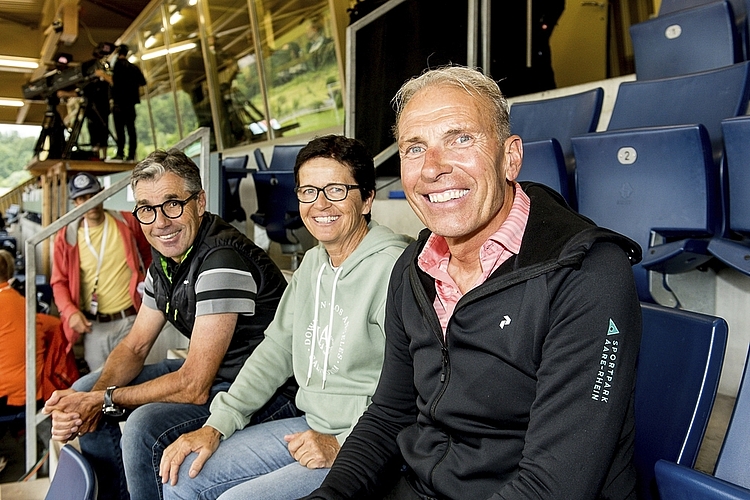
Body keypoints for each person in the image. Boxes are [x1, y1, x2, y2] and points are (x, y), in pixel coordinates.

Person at [303, 65, 643, 499]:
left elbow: (553, 486)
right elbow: (391, 413)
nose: (433, 169)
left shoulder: (587, 274)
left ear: (510, 157)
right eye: (414, 148)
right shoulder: (414, 266)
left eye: (461, 139)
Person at [158, 135, 412, 500]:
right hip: (309, 425)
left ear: (368, 198)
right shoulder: (312, 263)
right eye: (308, 191)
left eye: (336, 190)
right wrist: (218, 424)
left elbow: (411, 388)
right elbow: (276, 349)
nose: (319, 204)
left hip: (365, 445)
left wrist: (342, 442)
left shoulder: (392, 269)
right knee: (182, 476)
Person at [44, 149, 294, 500]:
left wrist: (103, 400)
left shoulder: (222, 260)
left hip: (266, 391)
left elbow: (193, 385)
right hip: (219, 372)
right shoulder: (165, 259)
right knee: (86, 385)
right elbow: (135, 346)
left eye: (172, 204)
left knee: (143, 428)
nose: (160, 222)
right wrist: (92, 396)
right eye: (146, 209)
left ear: (200, 202)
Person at [51, 172, 152, 373]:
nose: (90, 203)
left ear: (103, 194)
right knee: (99, 382)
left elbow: (148, 257)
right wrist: (70, 312)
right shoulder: (67, 236)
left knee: (133, 378)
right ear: (75, 203)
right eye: (82, 198)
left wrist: (149, 291)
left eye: (93, 195)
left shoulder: (127, 222)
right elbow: (58, 281)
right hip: (94, 326)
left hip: (130, 319)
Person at [111, 45, 146, 161]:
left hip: (119, 104)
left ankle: (120, 153)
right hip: (130, 104)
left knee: (120, 131)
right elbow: (143, 82)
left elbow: (113, 81)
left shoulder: (116, 66)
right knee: (131, 130)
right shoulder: (133, 68)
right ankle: (131, 154)